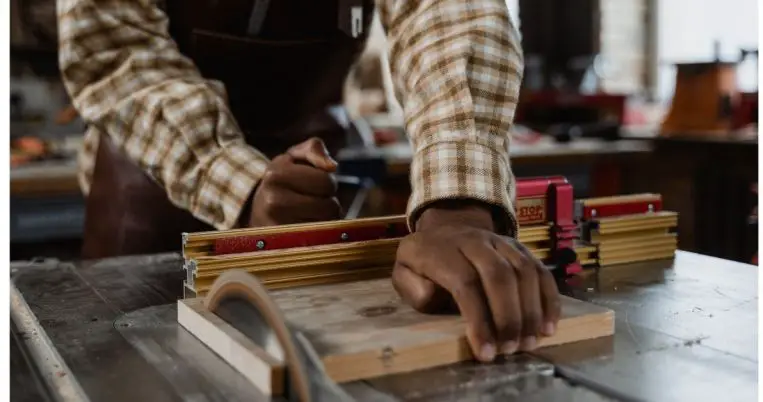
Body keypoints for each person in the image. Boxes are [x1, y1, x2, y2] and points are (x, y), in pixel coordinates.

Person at [58, 0, 560, 362]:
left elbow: (448, 14)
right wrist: (242, 185)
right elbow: (117, 52)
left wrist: (456, 205)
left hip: (314, 185)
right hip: (154, 184)